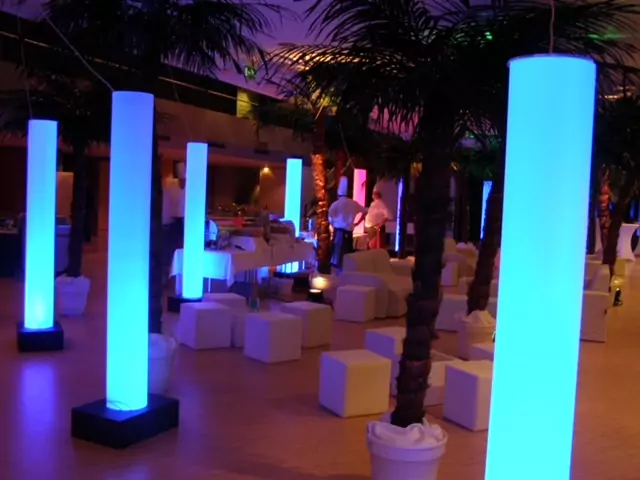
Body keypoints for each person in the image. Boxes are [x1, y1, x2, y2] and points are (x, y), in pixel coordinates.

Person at [328, 176, 366, 270]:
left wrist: (333, 225)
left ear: (338, 194)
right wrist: (357, 223)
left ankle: (337, 274)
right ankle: (348, 273)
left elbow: (330, 218)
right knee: (348, 256)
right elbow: (365, 211)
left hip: (338, 233)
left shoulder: (335, 204)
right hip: (349, 233)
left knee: (337, 257)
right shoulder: (353, 203)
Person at [162, 162, 186, 278]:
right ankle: (170, 275)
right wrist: (165, 221)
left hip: (187, 222)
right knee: (171, 250)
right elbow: (166, 205)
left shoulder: (192, 187)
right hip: (174, 222)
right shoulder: (170, 186)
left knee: (184, 248)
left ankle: (183, 272)